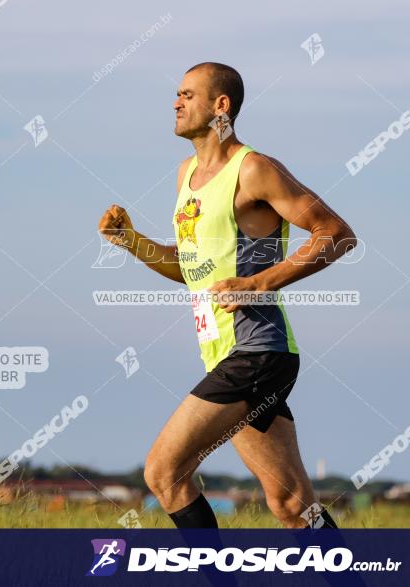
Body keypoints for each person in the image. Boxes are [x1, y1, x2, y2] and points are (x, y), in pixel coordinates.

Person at [98, 62, 356, 529]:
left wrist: (260, 283)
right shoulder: (185, 177)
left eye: (187, 94)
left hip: (256, 353)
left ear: (221, 106)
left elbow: (336, 234)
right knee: (294, 507)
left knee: (164, 473)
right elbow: (192, 270)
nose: (176, 103)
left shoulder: (254, 169)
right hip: (225, 356)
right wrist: (130, 241)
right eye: (175, 94)